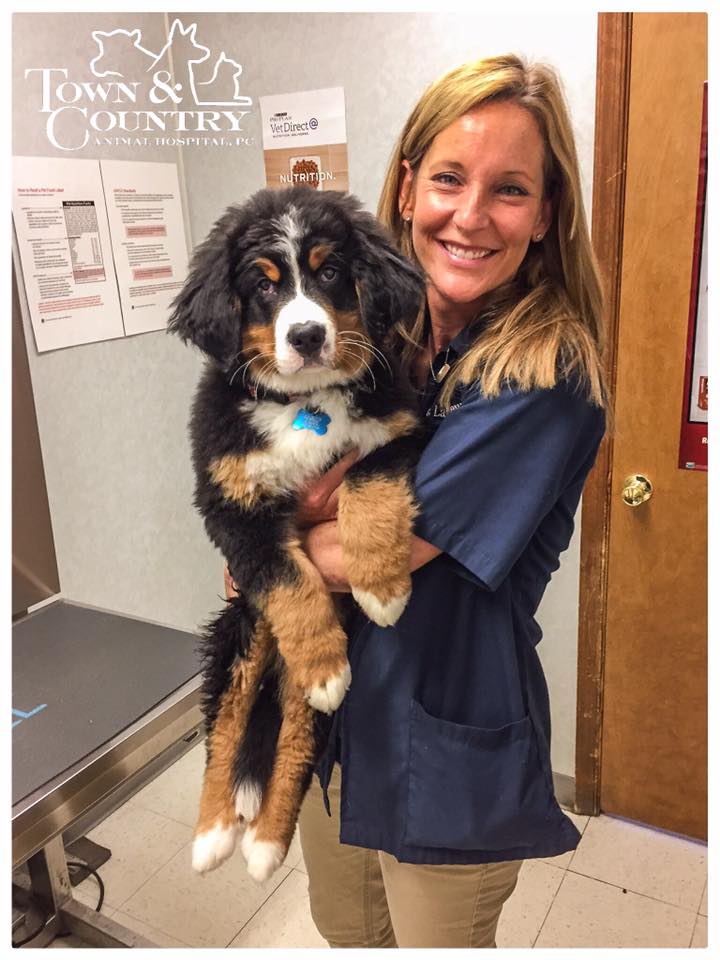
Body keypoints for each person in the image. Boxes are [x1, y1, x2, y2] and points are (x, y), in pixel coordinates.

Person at [229, 53, 607, 948]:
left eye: (511, 190)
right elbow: (248, 463)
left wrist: (264, 545)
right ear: (406, 189)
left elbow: (377, 552)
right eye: (448, 178)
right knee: (348, 933)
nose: (470, 216)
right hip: (335, 719)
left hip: (447, 745)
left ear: (546, 214)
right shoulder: (373, 330)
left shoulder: (545, 377)